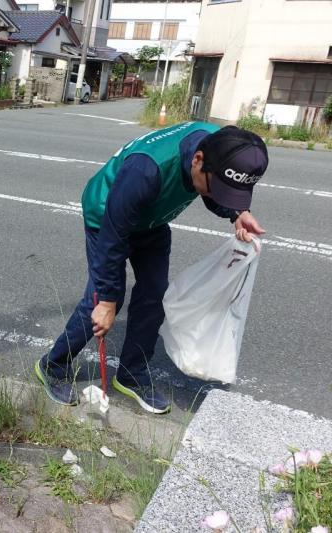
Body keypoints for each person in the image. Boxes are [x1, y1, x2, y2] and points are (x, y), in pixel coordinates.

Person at [35, 122, 269, 414]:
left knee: (155, 292)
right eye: (219, 189)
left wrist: (236, 212)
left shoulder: (222, 147)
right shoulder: (146, 169)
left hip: (153, 218)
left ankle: (131, 374)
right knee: (104, 297)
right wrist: (107, 300)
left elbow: (215, 190)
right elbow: (113, 235)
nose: (218, 196)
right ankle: (54, 365)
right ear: (197, 159)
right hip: (107, 217)